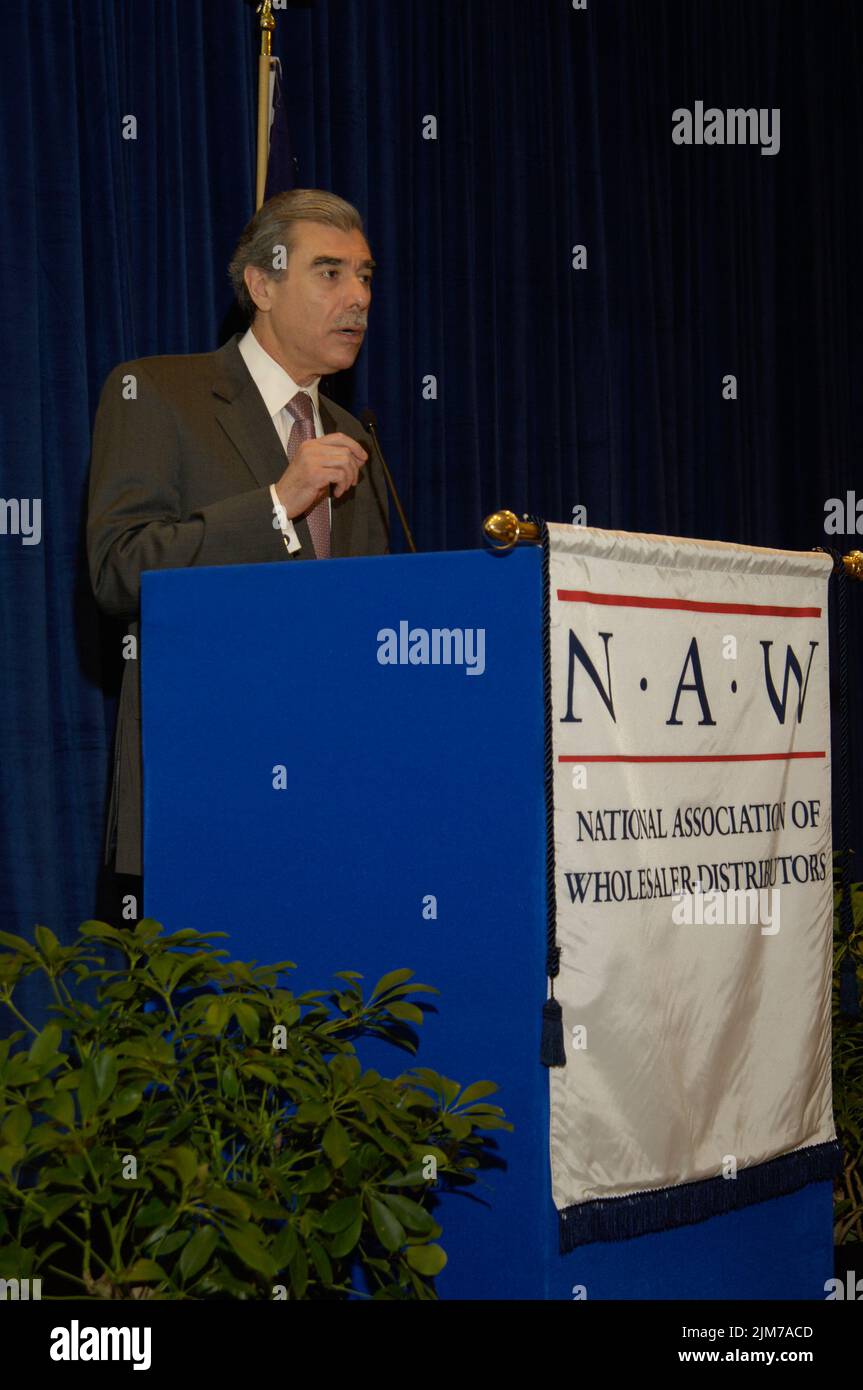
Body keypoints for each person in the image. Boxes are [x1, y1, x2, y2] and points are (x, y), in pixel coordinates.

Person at [87, 188, 389, 880]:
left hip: (335, 799)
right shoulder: (156, 394)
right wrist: (277, 506)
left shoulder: (349, 434)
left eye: (365, 275)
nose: (359, 296)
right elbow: (118, 569)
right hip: (206, 791)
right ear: (262, 283)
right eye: (330, 272)